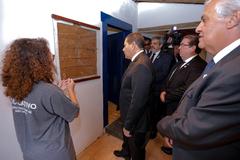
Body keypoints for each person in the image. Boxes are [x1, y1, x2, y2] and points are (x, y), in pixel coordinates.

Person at [157, 0, 240, 160]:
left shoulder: (234, 71)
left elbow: (193, 129)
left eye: (204, 20)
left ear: (232, 20)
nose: (198, 28)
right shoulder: (222, 62)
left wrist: (164, 124)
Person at [1, 38, 79, 160]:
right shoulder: (49, 91)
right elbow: (74, 112)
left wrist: (56, 90)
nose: (52, 61)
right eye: (51, 57)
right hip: (56, 154)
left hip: (29, 153)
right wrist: (71, 89)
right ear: (40, 62)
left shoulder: (15, 90)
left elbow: (38, 107)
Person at [159, 35, 206, 155]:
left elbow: (188, 89)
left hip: (180, 107)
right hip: (170, 104)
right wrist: (164, 89)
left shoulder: (199, 65)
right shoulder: (180, 62)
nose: (179, 48)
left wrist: (167, 95)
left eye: (183, 45)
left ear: (193, 48)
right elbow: (168, 78)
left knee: (176, 135)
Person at [113, 32, 154, 160]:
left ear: (133, 45)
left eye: (125, 45)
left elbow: (138, 101)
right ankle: (126, 152)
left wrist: (128, 125)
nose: (123, 48)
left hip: (137, 121)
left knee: (137, 151)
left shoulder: (141, 65)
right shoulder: (137, 60)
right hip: (131, 116)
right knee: (130, 145)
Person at [149, 36, 174, 139]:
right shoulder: (148, 54)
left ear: (161, 45)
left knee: (155, 112)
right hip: (147, 89)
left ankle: (153, 131)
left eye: (155, 43)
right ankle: (147, 126)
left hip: (157, 89)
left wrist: (147, 79)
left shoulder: (167, 57)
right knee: (148, 110)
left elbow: (163, 74)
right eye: (151, 43)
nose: (152, 45)